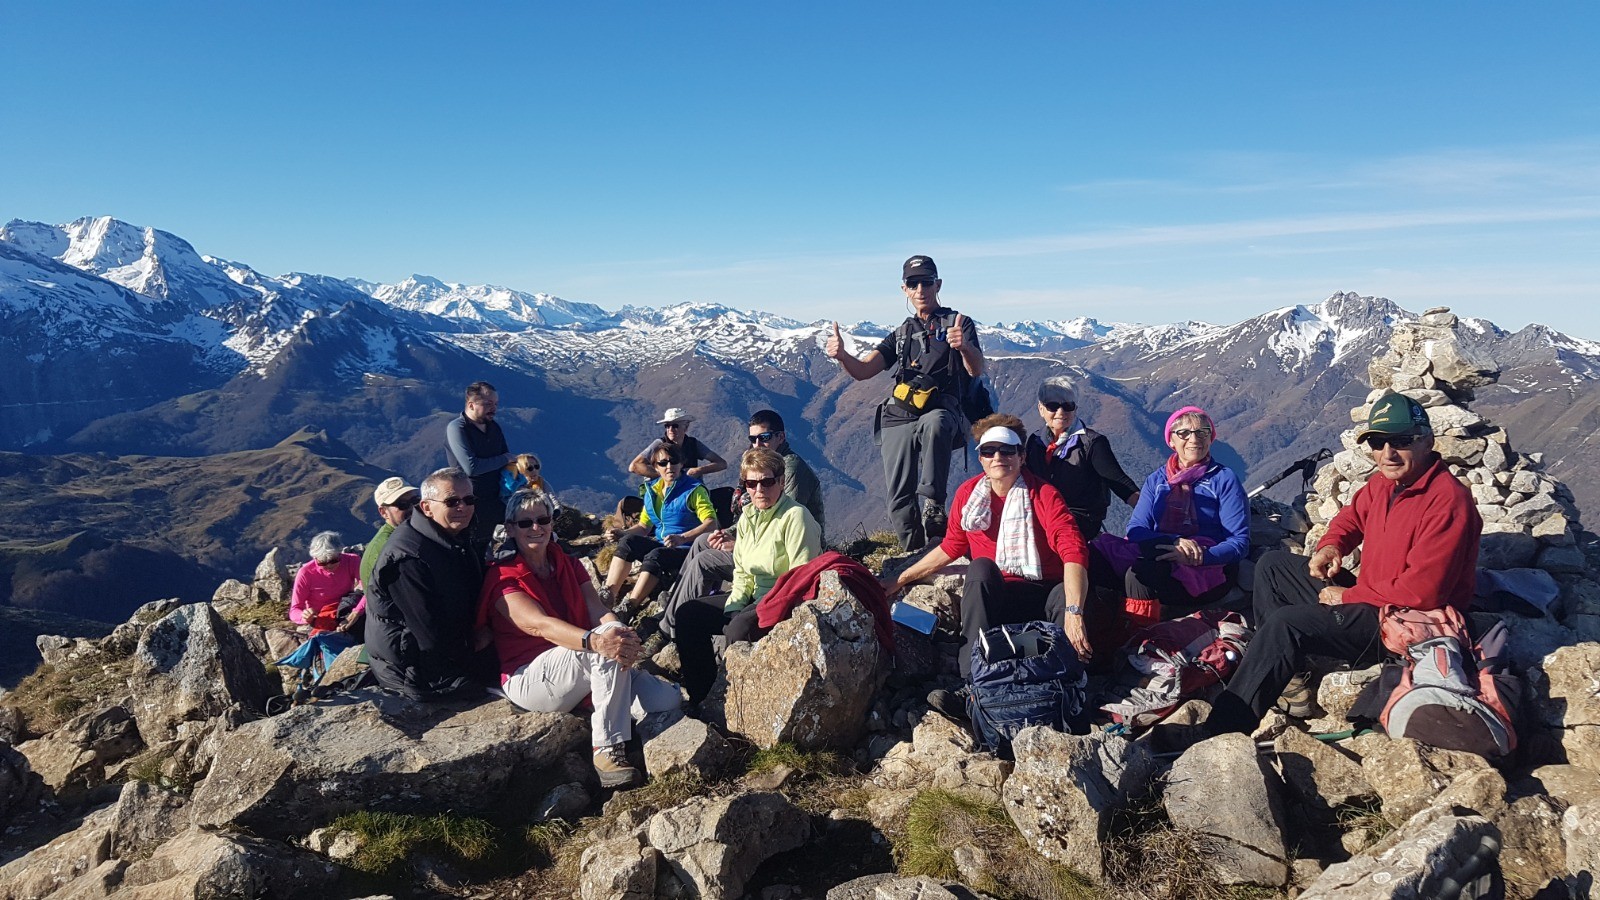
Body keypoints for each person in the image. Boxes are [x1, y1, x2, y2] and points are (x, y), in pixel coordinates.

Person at [1201, 391, 1482, 737]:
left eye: (1401, 441)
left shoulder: (1447, 501)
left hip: (1402, 623)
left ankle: (1221, 730)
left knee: (1286, 624)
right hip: (1374, 599)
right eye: (1377, 443)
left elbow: (1423, 592)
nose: (1388, 453)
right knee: (1273, 566)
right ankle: (1290, 676)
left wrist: (1347, 597)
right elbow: (1351, 518)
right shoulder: (1386, 483)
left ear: (1427, 441)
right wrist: (1331, 546)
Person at [883, 415, 1091, 719]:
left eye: (1007, 450)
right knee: (980, 568)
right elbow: (952, 546)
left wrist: (1074, 613)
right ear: (980, 457)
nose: (998, 457)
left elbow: (1073, 549)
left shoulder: (1043, 495)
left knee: (1063, 592)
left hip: (1042, 600)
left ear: (1021, 456)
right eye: (989, 451)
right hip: (999, 601)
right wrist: (900, 578)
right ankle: (973, 684)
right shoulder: (969, 497)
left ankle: (1063, 687)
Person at [478, 488, 681, 788]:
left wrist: (621, 634)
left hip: (575, 663)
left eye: (542, 520)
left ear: (551, 523)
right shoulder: (503, 577)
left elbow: (596, 609)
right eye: (525, 523)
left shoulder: (567, 564)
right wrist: (599, 642)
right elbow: (539, 626)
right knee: (603, 644)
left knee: (667, 699)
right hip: (528, 676)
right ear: (510, 529)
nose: (536, 528)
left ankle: (633, 733)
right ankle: (607, 749)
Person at [826, 255, 985, 551]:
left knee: (937, 423)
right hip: (899, 415)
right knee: (898, 497)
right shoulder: (902, 333)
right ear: (905, 289)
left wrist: (963, 347)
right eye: (913, 283)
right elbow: (864, 371)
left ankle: (934, 506)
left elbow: (976, 370)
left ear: (938, 285)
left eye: (926, 282)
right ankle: (913, 552)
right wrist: (843, 357)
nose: (920, 289)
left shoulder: (958, 324)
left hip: (941, 410)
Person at [671, 448, 823, 705]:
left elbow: (800, 577)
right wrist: (734, 607)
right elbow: (741, 571)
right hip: (754, 596)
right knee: (689, 614)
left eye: (767, 482)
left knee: (738, 629)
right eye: (751, 484)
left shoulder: (796, 517)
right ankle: (703, 697)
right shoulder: (748, 517)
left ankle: (739, 704)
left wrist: (745, 615)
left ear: (781, 482)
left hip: (781, 600)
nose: (759, 489)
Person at [1091, 406, 1249, 634]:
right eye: (1184, 433)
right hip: (1164, 549)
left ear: (1210, 438)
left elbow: (1239, 543)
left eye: (1202, 432)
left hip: (1208, 569)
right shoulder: (1157, 480)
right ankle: (1098, 632)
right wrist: (1174, 541)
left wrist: (1198, 556)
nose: (1194, 439)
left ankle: (1140, 638)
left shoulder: (1224, 480)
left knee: (1139, 575)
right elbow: (1136, 529)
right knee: (1092, 557)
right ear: (1171, 441)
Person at [661, 409, 826, 624]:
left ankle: (670, 624)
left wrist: (738, 544)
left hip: (778, 554)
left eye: (764, 437)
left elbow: (779, 518)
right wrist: (727, 534)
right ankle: (674, 603)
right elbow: (756, 515)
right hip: (758, 542)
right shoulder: (759, 463)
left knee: (704, 561)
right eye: (753, 439)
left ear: (780, 437)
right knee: (703, 541)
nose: (757, 444)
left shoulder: (789, 467)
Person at [366, 467, 491, 701]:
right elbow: (428, 634)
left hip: (448, 648)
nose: (463, 507)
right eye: (452, 501)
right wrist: (477, 642)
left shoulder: (453, 536)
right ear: (426, 507)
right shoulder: (408, 558)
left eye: (469, 499)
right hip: (416, 670)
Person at [603, 442, 718, 608]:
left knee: (656, 555)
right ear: (656, 467)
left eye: (674, 461)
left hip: (687, 550)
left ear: (682, 463)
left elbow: (711, 523)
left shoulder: (694, 490)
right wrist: (621, 533)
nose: (669, 466)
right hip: (663, 545)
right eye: (663, 463)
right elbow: (644, 527)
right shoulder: (653, 491)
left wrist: (682, 538)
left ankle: (629, 606)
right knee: (628, 542)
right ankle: (607, 596)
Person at [1024, 376, 1140, 540]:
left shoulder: (1091, 443)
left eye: (1067, 406)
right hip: (1043, 513)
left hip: (1080, 519)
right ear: (1041, 409)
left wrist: (1153, 517)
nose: (1060, 412)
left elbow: (1119, 482)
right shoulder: (1035, 442)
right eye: (1052, 406)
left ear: (1075, 409)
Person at [444, 381, 511, 557]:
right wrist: (504, 459)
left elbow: (506, 459)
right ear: (471, 404)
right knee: (476, 550)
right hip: (473, 502)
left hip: (498, 499)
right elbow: (471, 467)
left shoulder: (494, 427)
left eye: (495, 404)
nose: (493, 409)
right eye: (488, 404)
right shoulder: (457, 429)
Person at [290, 531, 364, 636]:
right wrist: (304, 616)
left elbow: (368, 588)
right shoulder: (306, 573)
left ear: (340, 553)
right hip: (321, 617)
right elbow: (294, 610)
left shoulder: (352, 561)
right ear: (315, 558)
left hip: (347, 608)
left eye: (334, 560)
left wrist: (357, 612)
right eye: (322, 563)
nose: (329, 566)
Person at [627, 409, 727, 480]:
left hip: (691, 488)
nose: (670, 429)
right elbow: (634, 466)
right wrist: (664, 474)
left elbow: (722, 464)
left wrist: (698, 470)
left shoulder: (693, 444)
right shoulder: (659, 444)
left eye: (675, 426)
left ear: (686, 427)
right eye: (667, 426)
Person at [361, 476, 419, 593]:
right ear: (384, 512)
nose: (412, 508)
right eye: (402, 504)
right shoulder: (389, 548)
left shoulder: (407, 535)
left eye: (415, 500)